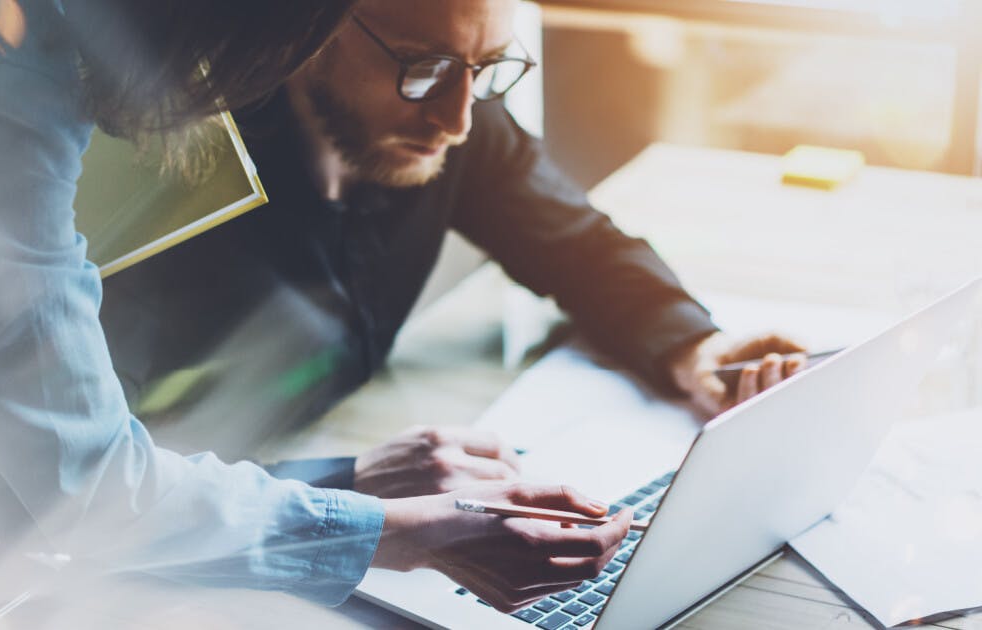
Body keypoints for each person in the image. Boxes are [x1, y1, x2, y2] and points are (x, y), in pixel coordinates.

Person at [0, 0, 631, 623]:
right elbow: (62, 477)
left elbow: (58, 445)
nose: (454, 116)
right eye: (420, 65)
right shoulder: (0, 81)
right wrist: (384, 530)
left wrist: (342, 490)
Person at [100, 0, 810, 499]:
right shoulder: (164, 198)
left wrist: (692, 347)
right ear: (307, 25)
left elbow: (576, 244)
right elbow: (87, 479)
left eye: (487, 67)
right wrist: (348, 485)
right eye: (423, 66)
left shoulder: (442, 119)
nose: (459, 119)